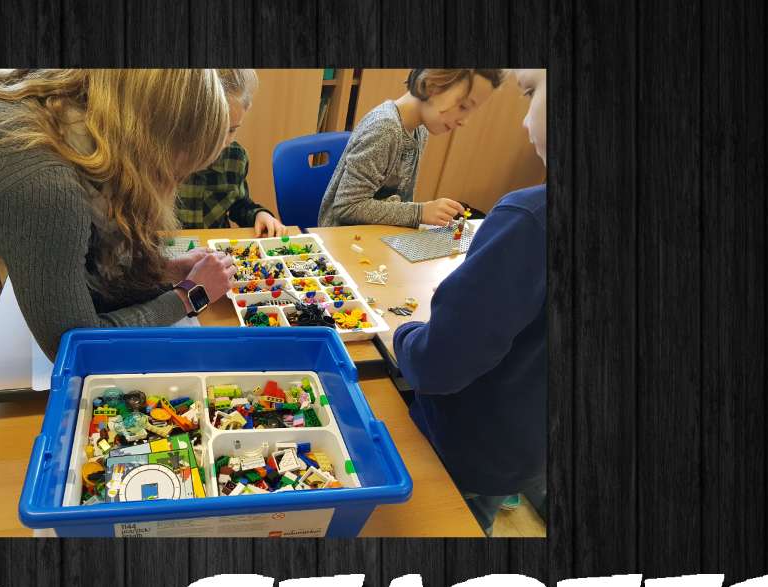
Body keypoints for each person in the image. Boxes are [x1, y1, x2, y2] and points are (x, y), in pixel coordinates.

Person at [0, 69, 238, 361]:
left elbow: (75, 262)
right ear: (150, 147)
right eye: (177, 173)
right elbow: (74, 346)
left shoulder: (69, 111)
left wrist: (165, 271)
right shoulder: (47, 187)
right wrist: (189, 296)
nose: (171, 187)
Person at [391, 69, 548, 536]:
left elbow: (437, 366)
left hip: (469, 447)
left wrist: (402, 333)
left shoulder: (528, 220)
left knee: (450, 518)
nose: (524, 120)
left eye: (530, 93)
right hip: (527, 449)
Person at [318, 68, 505, 228]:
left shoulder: (419, 129)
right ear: (431, 85)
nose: (465, 121)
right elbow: (347, 207)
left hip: (376, 233)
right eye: (463, 106)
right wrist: (419, 212)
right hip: (343, 240)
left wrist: (420, 214)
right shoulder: (385, 129)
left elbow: (401, 200)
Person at [176, 69, 287, 237]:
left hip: (215, 247)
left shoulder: (234, 157)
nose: (220, 142)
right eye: (211, 129)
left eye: (231, 130)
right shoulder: (163, 159)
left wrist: (259, 215)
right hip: (171, 247)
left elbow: (238, 204)